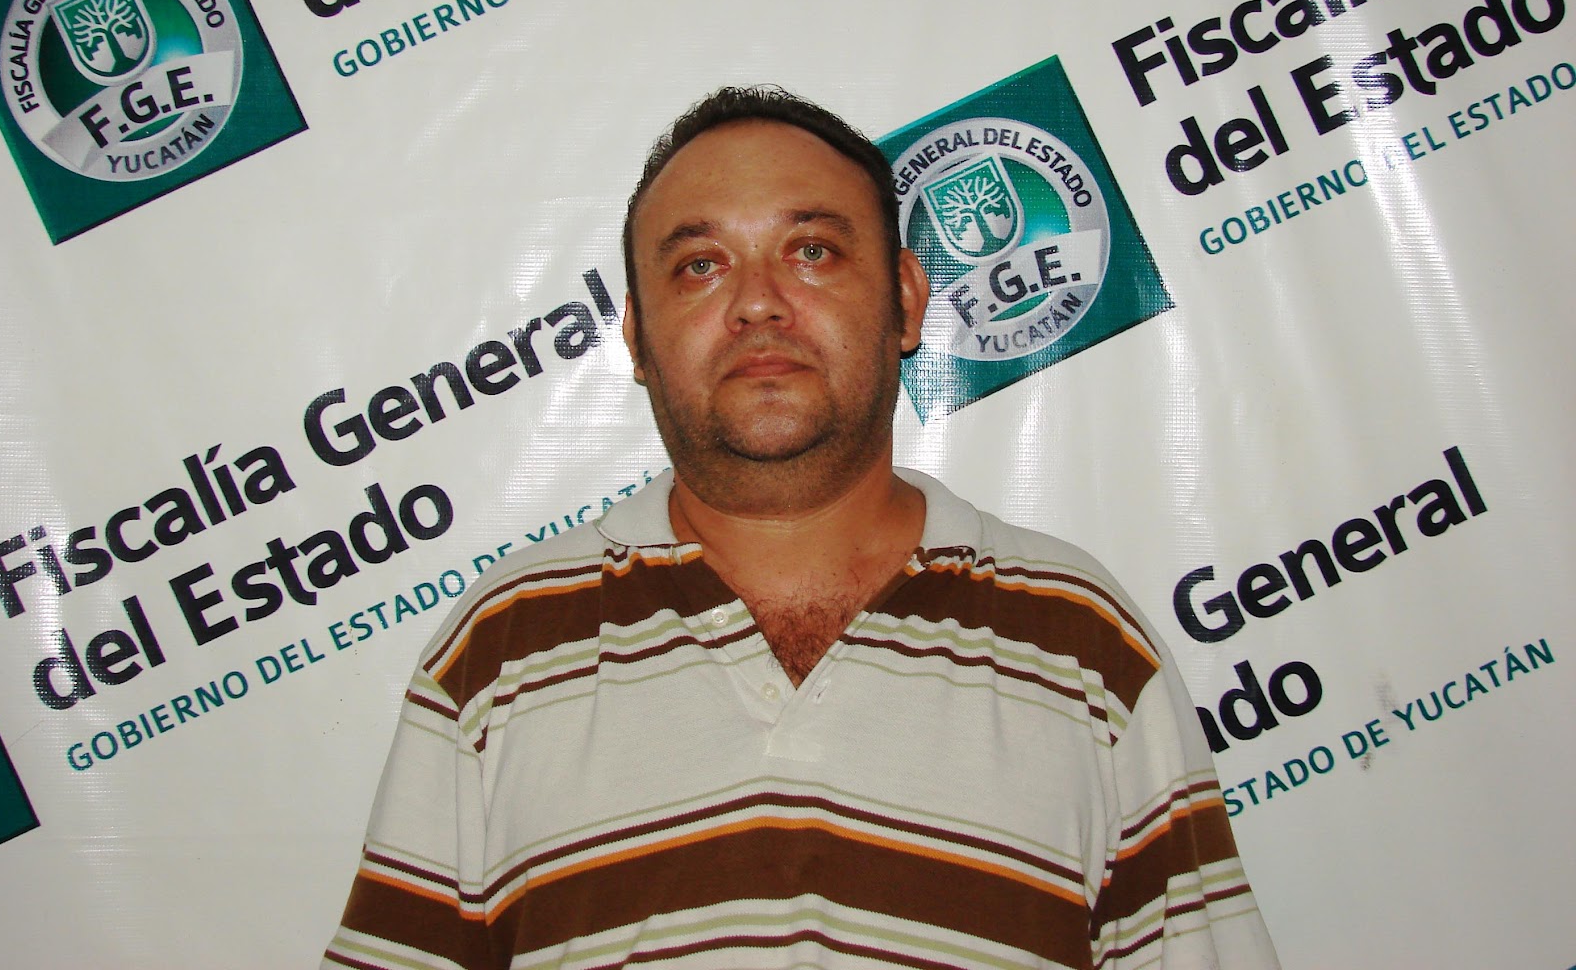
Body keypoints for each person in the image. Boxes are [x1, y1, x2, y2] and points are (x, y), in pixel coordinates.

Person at [324, 86, 1280, 969]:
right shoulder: (500, 653)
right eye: (700, 266)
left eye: (812, 251)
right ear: (638, 339)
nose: (756, 303)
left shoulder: (1081, 641)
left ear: (907, 300)